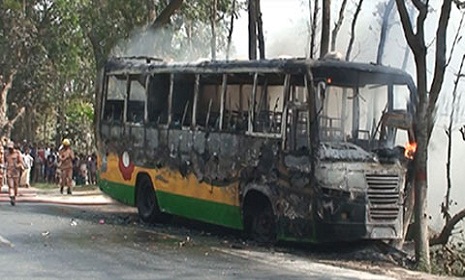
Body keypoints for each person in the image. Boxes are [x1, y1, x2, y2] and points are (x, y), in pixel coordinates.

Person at [5, 141, 25, 206]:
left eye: (11, 148)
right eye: (9, 148)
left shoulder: (17, 153)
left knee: (15, 186)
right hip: (9, 172)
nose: (10, 149)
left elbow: (22, 163)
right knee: (11, 186)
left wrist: (17, 165)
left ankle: (14, 196)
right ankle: (12, 197)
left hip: (16, 172)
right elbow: (4, 161)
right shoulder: (6, 154)